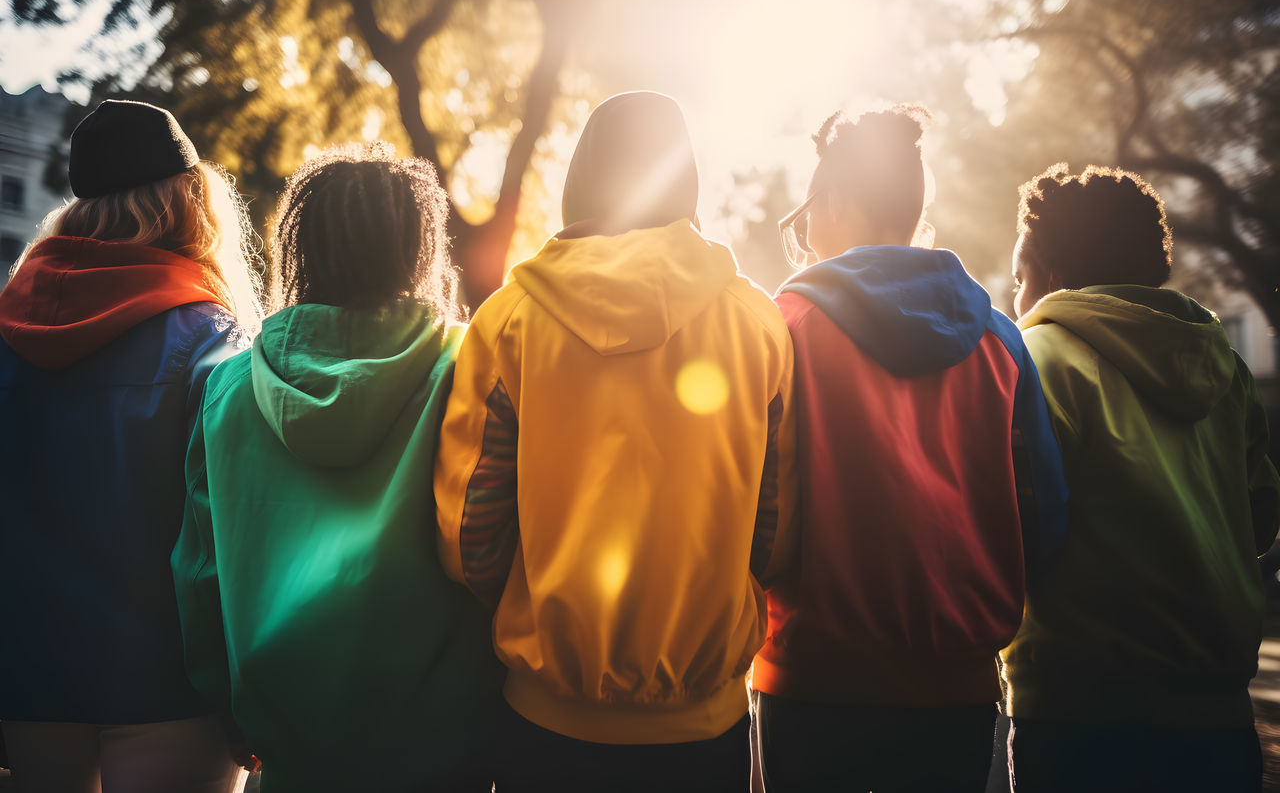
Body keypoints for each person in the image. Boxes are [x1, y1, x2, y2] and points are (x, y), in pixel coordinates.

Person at [434, 91, 797, 792]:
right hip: (705, 727)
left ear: (581, 179)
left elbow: (467, 539)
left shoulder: (508, 319)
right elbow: (773, 531)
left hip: (547, 726)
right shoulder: (756, 323)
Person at [750, 106, 1068, 792]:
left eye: (807, 209)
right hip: (956, 688)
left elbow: (756, 505)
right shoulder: (1001, 341)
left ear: (832, 203)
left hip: (812, 677)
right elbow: (1044, 517)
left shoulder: (786, 329)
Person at [170, 143, 505, 793]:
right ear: (421, 248)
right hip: (447, 747)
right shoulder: (466, 369)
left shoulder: (230, 386)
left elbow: (198, 568)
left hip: (290, 751)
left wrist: (230, 710)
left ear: (301, 247)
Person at [0, 99, 262, 793]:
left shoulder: (5, 334)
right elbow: (233, 528)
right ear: (190, 199)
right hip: (170, 684)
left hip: (26, 678)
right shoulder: (209, 338)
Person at [1002, 163, 1280, 792]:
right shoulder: (1227, 366)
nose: (1018, 298)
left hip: (1079, 712)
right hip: (1218, 714)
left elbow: (1012, 522)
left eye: (1020, 279)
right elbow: (1261, 518)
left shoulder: (1039, 360)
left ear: (1050, 276)